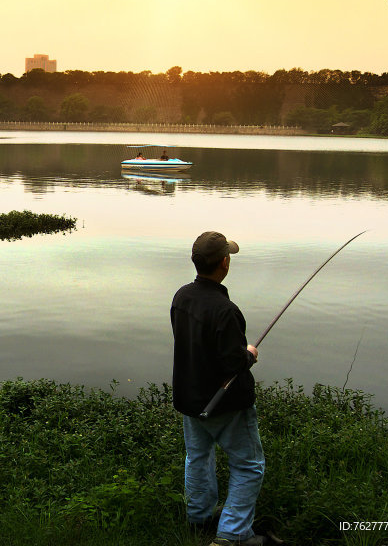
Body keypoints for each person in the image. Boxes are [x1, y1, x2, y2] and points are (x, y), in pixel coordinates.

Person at [171, 231, 265, 546]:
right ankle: (233, 535)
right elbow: (231, 364)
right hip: (224, 404)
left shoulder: (181, 297)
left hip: (190, 398)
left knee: (197, 456)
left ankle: (199, 518)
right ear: (224, 263)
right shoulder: (226, 311)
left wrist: (238, 355)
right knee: (248, 466)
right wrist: (247, 355)